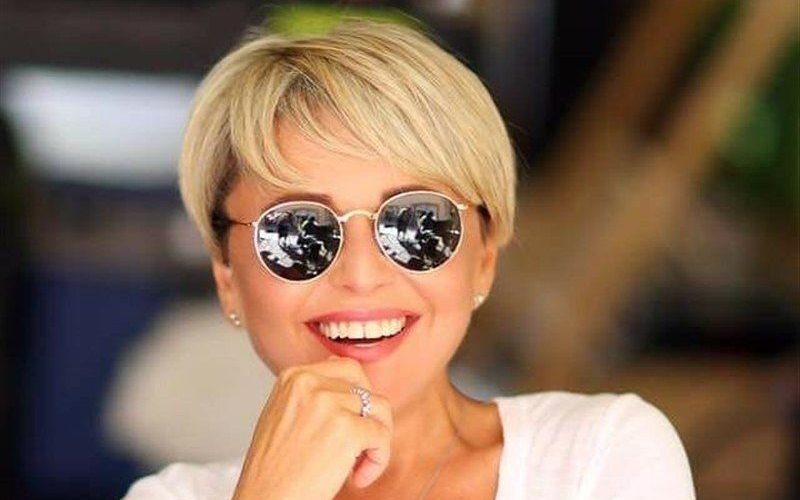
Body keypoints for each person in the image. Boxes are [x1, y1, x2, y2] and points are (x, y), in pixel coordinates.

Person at [123, 19, 695, 500]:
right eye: (297, 233)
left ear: (483, 259)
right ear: (227, 278)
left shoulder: (597, 457)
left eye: (417, 224)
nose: (361, 275)